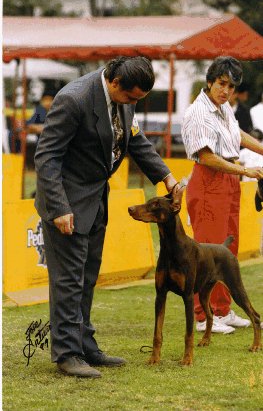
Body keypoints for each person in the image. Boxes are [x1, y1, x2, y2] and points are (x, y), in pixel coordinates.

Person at [34, 56, 178, 378]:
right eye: (132, 97)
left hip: (96, 200)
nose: (134, 103)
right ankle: (67, 354)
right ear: (114, 83)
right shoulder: (74, 99)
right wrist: (59, 209)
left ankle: (85, 345)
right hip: (66, 203)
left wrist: (166, 177)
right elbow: (47, 156)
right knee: (68, 280)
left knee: (86, 277)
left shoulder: (125, 100)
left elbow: (135, 140)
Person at [181, 56, 263, 334]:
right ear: (210, 82)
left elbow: (236, 133)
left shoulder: (224, 107)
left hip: (228, 179)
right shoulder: (198, 112)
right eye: (221, 84)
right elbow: (206, 157)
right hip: (209, 179)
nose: (226, 90)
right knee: (206, 251)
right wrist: (246, 169)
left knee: (228, 248)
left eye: (231, 86)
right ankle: (201, 315)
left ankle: (222, 309)